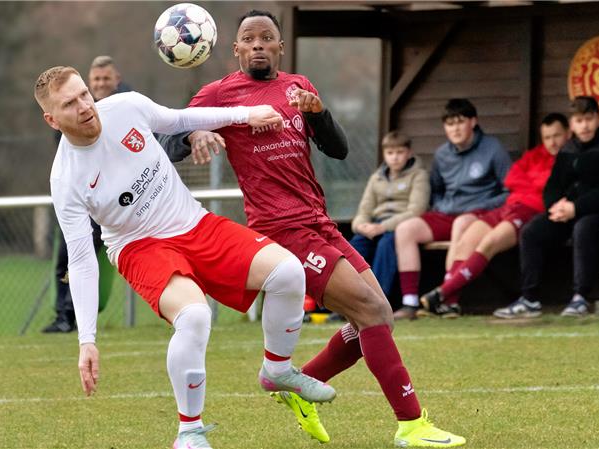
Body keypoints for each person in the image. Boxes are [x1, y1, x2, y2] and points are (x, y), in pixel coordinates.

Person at [165, 10, 465, 448]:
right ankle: (411, 425)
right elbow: (168, 139)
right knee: (370, 312)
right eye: (249, 39)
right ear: (235, 49)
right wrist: (195, 135)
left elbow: (339, 149)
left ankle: (300, 386)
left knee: (379, 317)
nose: (258, 45)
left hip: (319, 221)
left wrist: (320, 113)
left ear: (280, 47)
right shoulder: (220, 94)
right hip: (282, 229)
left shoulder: (298, 87)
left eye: (267, 38)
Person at [34, 66, 336, 449]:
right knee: (194, 316)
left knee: (289, 273)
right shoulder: (65, 179)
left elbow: (181, 119)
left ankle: (277, 370)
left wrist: (245, 114)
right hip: (139, 246)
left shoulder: (126, 107)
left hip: (195, 223)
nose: (83, 106)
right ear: (52, 120)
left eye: (83, 95)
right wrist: (87, 341)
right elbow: (80, 260)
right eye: (68, 104)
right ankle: (189, 432)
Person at [494, 96, 599, 319]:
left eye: (589, 119)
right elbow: (552, 185)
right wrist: (555, 207)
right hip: (568, 212)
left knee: (584, 229)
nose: (585, 126)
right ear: (572, 124)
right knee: (531, 232)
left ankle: (580, 298)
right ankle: (529, 299)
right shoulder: (568, 149)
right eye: (579, 121)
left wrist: (576, 208)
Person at [419, 113, 570, 317]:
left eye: (557, 136)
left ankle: (442, 292)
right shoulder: (534, 155)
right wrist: (535, 186)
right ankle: (449, 303)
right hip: (508, 207)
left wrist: (533, 187)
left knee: (488, 243)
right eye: (547, 137)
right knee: (466, 241)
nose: (552, 142)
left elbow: (550, 188)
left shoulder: (569, 158)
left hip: (530, 211)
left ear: (568, 134)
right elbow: (512, 178)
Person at [393, 99, 511, 320]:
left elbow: (509, 191)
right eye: (449, 124)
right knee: (405, 229)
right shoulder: (442, 154)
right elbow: (436, 189)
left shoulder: (493, 148)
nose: (455, 128)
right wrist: (440, 206)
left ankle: (448, 300)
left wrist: (482, 206)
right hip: (447, 213)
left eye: (460, 122)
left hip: (478, 215)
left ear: (473, 122)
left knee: (461, 223)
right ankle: (409, 303)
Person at [43, 56, 136, 333]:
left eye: (106, 79)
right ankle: (65, 316)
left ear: (116, 80)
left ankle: (180, 306)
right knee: (68, 257)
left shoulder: (125, 108)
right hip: (83, 201)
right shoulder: (69, 116)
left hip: (115, 202)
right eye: (95, 79)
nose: (100, 84)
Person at [349, 130, 429, 302]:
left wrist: (383, 227)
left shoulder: (419, 175)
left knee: (386, 244)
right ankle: (344, 301)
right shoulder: (376, 178)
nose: (395, 157)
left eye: (400, 152)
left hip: (400, 226)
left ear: (408, 153)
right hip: (375, 225)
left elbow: (417, 210)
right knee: (354, 246)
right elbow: (364, 210)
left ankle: (376, 300)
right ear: (384, 154)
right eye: (390, 153)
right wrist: (361, 226)